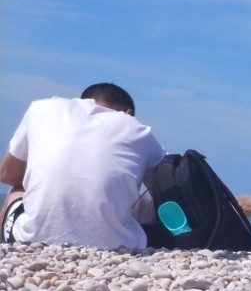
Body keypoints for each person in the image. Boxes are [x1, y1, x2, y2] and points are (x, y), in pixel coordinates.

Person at [1, 82, 165, 250]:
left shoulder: (41, 108)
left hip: (33, 240)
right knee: (146, 203)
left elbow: (7, 175)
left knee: (17, 189)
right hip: (117, 245)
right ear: (128, 113)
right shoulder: (137, 129)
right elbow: (166, 187)